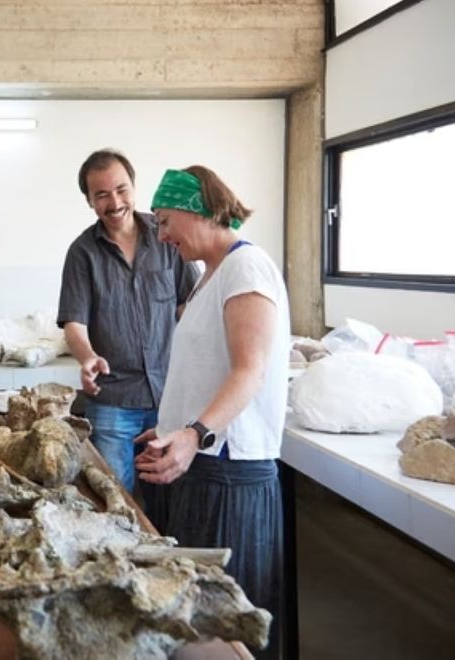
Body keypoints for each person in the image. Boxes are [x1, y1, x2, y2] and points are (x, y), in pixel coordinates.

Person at [135, 166, 290, 659]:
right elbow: (205, 367)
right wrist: (166, 428)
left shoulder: (247, 267)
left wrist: (194, 432)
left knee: (227, 630)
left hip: (230, 475)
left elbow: (250, 370)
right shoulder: (211, 275)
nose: (161, 235)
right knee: (199, 626)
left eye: (164, 221)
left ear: (196, 208)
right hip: (203, 465)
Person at [57, 148, 199, 510]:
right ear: (89, 201)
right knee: (115, 499)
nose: (114, 201)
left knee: (174, 498)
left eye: (121, 189)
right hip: (113, 402)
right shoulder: (82, 253)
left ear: (134, 188)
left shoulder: (167, 236)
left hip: (171, 395)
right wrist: (87, 357)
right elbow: (75, 320)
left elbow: (190, 306)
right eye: (101, 194)